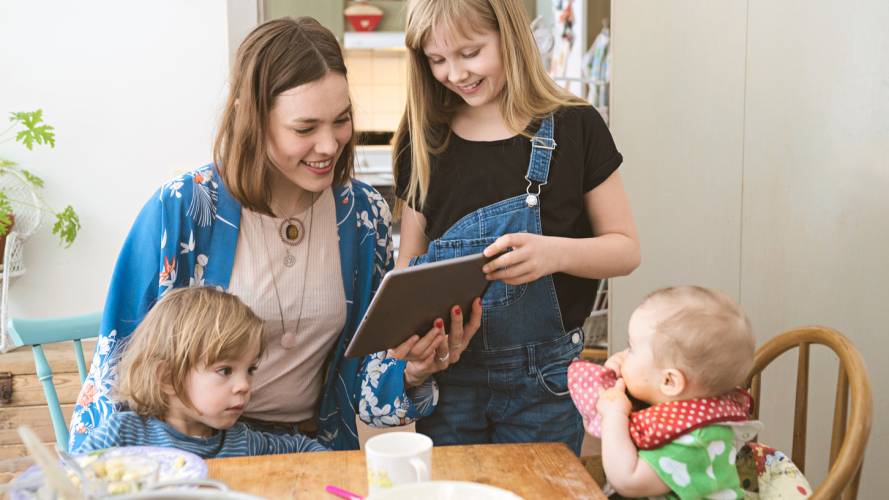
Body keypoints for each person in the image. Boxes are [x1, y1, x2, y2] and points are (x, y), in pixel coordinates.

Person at [70, 17, 481, 452]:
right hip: (193, 459)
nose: (329, 145)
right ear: (249, 118)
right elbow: (115, 375)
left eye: (341, 121)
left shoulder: (363, 216)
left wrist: (411, 370)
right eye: (304, 129)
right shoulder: (183, 209)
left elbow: (365, 385)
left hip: (312, 453)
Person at [390, 0, 640, 454]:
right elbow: (408, 265)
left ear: (509, 35)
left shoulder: (576, 126)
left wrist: (554, 253)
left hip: (544, 385)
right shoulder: (424, 138)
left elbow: (625, 250)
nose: (454, 73)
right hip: (452, 379)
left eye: (470, 52)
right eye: (437, 59)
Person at [75, 287, 327, 457]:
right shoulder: (123, 436)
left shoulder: (242, 442)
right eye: (225, 370)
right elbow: (70, 479)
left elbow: (305, 448)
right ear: (167, 378)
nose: (244, 385)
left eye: (250, 369)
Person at [583, 286, 757, 498]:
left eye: (632, 349)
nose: (622, 356)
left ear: (669, 381)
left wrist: (614, 415)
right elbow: (606, 433)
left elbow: (627, 481)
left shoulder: (696, 440)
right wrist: (604, 412)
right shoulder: (677, 405)